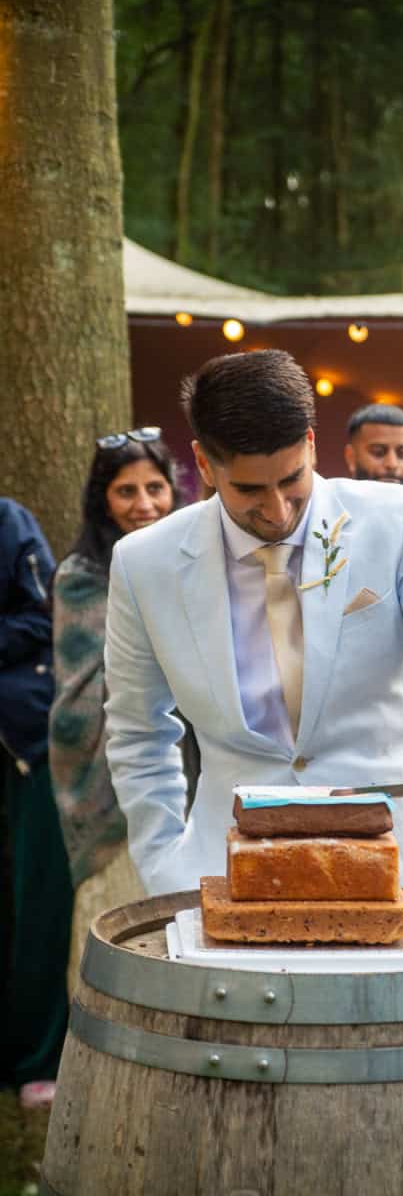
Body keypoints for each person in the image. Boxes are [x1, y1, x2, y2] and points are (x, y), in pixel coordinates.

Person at [103, 349, 403, 899]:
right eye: (248, 490)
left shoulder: (396, 520)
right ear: (203, 464)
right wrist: (162, 862)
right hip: (230, 870)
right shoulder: (143, 563)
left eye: (292, 480)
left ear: (312, 446)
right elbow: (137, 730)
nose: (276, 511)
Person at [49, 429, 187, 994]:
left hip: (196, 762)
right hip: (109, 769)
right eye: (126, 491)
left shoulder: (191, 561)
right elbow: (82, 692)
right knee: (118, 908)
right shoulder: (82, 575)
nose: (145, 504)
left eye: (155, 487)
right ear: (102, 500)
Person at [0, 499, 72, 1111]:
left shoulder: (7, 521)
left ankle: (35, 1058)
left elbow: (39, 612)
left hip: (22, 742)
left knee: (35, 903)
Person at [344, 404, 403, 484]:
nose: (392, 464)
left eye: (402, 454)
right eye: (378, 452)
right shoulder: (331, 495)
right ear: (351, 457)